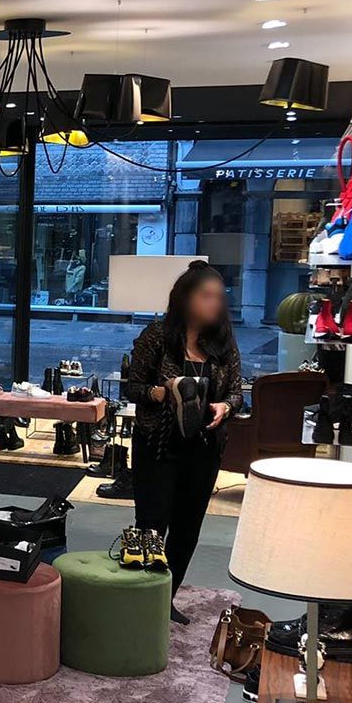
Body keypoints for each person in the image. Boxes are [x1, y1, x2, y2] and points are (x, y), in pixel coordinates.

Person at [121, 261, 243, 624]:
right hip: (158, 444)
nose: (214, 303)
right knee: (151, 523)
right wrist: (163, 393)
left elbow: (237, 391)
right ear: (186, 298)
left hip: (204, 447)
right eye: (206, 295)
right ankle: (141, 597)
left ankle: (166, 598)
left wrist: (224, 406)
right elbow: (133, 387)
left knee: (188, 527)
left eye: (218, 296)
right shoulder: (157, 336)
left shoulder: (223, 342)